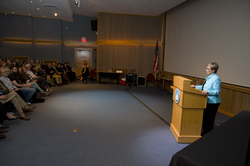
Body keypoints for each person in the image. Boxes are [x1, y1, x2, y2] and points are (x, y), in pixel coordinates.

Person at [191, 62, 221, 136]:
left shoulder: (216, 78)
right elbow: (203, 87)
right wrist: (195, 87)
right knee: (205, 118)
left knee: (209, 119)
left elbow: (217, 91)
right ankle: (205, 132)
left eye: (208, 69)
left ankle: (208, 135)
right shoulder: (209, 77)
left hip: (213, 103)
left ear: (213, 70)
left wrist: (208, 92)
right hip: (207, 101)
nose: (206, 70)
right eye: (206, 68)